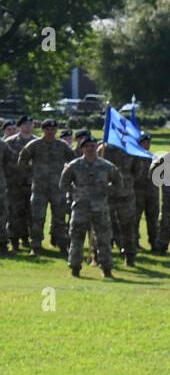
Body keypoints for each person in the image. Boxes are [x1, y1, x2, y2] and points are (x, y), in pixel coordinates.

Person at [60, 136, 121, 278]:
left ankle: (106, 268)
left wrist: (107, 190)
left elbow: (119, 182)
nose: (90, 148)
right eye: (87, 146)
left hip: (100, 208)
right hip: (81, 207)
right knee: (76, 238)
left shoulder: (106, 165)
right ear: (82, 148)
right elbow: (63, 184)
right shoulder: (74, 165)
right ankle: (75, 268)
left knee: (104, 239)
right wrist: (76, 192)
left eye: (93, 146)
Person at [18, 118, 75, 255]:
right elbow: (22, 161)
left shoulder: (62, 146)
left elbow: (73, 162)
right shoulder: (35, 144)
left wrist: (68, 179)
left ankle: (62, 244)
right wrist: (29, 176)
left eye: (53, 129)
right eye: (48, 129)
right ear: (43, 130)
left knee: (60, 218)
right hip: (39, 188)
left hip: (58, 188)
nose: (51, 132)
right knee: (38, 218)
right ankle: (36, 245)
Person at [100, 139, 138, 265]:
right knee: (103, 226)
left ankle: (130, 255)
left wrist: (126, 182)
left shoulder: (131, 151)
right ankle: (102, 256)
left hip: (125, 195)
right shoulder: (103, 149)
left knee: (127, 226)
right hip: (107, 195)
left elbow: (137, 171)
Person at [4, 117, 35, 252]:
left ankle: (29, 240)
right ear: (20, 126)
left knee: (32, 214)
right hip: (14, 183)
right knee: (15, 214)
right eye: (25, 124)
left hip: (33, 184)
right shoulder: (9, 142)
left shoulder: (37, 142)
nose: (28, 127)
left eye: (30, 124)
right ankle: (14, 241)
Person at [133, 133, 160, 252]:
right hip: (137, 193)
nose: (147, 144)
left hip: (152, 193)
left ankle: (154, 243)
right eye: (144, 142)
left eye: (148, 142)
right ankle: (134, 243)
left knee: (153, 219)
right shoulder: (134, 157)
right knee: (135, 219)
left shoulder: (154, 158)